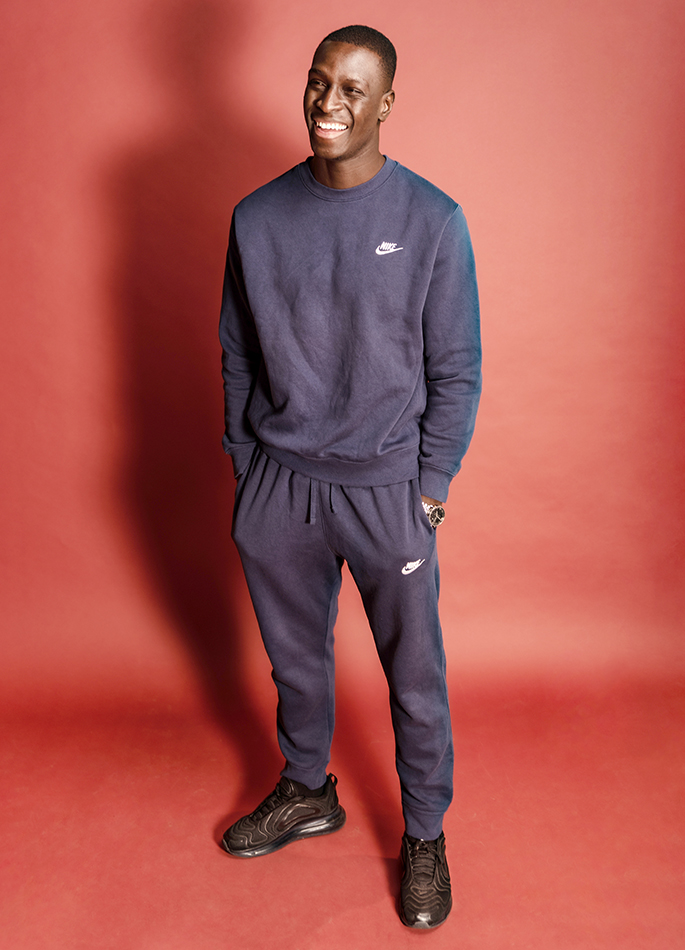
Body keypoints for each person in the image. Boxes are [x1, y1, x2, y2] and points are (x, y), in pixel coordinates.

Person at [218, 25, 481, 930]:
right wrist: (248, 465)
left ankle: (425, 835)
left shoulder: (431, 220)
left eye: (353, 89)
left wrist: (429, 487)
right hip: (279, 486)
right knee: (294, 662)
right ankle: (306, 790)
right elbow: (235, 351)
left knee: (414, 676)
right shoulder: (256, 218)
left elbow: (456, 369)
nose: (329, 103)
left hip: (386, 490)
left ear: (385, 105)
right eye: (319, 82)